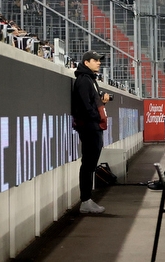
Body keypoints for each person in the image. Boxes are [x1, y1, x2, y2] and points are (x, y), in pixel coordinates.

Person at [71, 50, 109, 214]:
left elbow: (91, 103)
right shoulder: (84, 80)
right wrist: (95, 118)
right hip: (89, 127)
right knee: (88, 165)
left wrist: (101, 103)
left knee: (90, 165)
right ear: (86, 62)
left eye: (99, 60)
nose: (99, 62)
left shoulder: (89, 79)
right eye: (95, 60)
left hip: (92, 126)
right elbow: (86, 105)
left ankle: (87, 199)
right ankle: (85, 201)